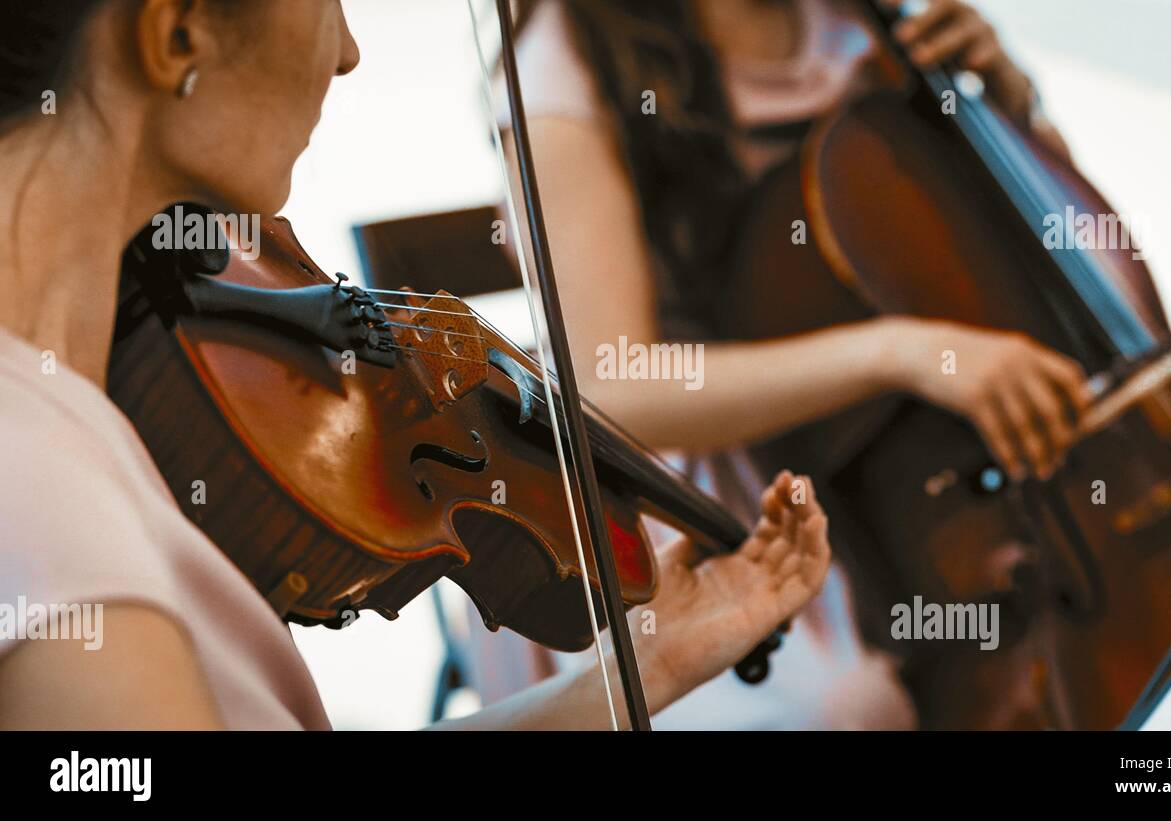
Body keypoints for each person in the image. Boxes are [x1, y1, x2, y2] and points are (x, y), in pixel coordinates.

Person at [0, 0, 832, 730]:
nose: (347, 51)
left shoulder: (70, 428)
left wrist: (647, 670)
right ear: (178, 33)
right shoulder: (48, 496)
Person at [501, 0, 1093, 725]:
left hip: (923, 442)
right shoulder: (566, 66)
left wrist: (1005, 102)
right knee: (850, 708)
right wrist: (900, 352)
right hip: (713, 471)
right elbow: (612, 383)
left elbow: (1042, 243)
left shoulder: (868, 15)